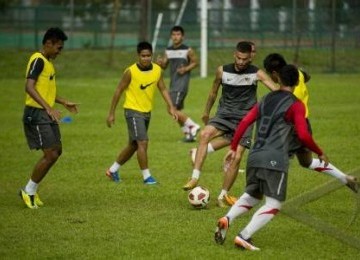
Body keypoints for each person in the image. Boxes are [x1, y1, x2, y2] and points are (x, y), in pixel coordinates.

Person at [214, 64, 329, 250]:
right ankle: (244, 236)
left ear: (278, 79)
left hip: (254, 156)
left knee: (252, 195)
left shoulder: (265, 99)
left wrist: (234, 147)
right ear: (297, 81)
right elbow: (303, 135)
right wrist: (319, 151)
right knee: (274, 204)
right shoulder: (296, 104)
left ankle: (227, 218)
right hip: (274, 158)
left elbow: (244, 122)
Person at [182, 41, 279, 206]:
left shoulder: (257, 73)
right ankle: (194, 177)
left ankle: (222, 196)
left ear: (250, 57)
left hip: (245, 119)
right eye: (239, 58)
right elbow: (213, 92)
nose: (241, 62)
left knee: (236, 156)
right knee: (204, 134)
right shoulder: (222, 71)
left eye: (245, 59)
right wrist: (206, 112)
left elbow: (276, 90)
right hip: (224, 115)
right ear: (235, 54)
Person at [263, 53, 358, 193]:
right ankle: (345, 179)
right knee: (306, 162)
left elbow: (280, 96)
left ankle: (264, 198)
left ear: (274, 73)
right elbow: (306, 76)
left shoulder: (286, 89)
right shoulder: (298, 74)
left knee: (272, 159)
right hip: (304, 124)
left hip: (290, 127)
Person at [20, 27, 79, 209]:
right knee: (51, 153)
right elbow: (29, 87)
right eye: (58, 48)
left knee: (56, 151)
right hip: (36, 113)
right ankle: (28, 191)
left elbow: (45, 91)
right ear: (48, 43)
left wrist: (63, 102)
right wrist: (48, 108)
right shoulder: (38, 60)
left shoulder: (48, 62)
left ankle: (31, 189)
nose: (60, 51)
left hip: (45, 111)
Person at [106, 41, 178, 184]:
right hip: (132, 111)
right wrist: (111, 113)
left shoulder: (157, 70)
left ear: (151, 55)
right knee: (143, 142)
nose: (146, 58)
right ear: (138, 56)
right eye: (143, 56)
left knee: (134, 145)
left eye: (148, 56)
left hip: (146, 112)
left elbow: (162, 88)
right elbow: (118, 90)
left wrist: (171, 106)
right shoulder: (130, 71)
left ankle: (112, 170)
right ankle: (147, 177)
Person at [156, 25, 200, 142]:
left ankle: (193, 126)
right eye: (174, 35)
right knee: (175, 111)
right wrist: (160, 63)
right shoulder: (168, 50)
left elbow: (195, 62)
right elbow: (164, 66)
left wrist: (185, 69)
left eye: (178, 34)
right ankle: (188, 134)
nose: (176, 37)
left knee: (171, 109)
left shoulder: (187, 50)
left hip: (181, 84)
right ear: (171, 36)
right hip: (173, 84)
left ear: (182, 36)